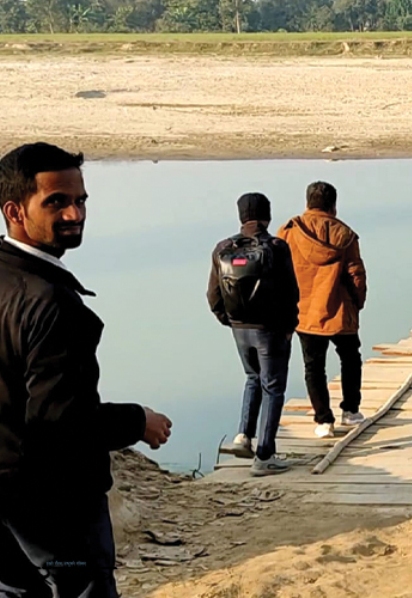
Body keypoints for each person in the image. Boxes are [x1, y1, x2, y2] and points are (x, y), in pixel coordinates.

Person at [0, 142, 172, 598]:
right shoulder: (49, 303)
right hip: (53, 506)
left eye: (80, 200)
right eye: (56, 202)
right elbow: (62, 424)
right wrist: (138, 420)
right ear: (15, 211)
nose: (75, 214)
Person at [207, 192, 298, 476]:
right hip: (269, 329)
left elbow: (213, 294)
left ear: (241, 217)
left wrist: (230, 320)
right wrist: (288, 328)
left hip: (239, 327)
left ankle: (243, 437)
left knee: (252, 378)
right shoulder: (276, 247)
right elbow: (290, 293)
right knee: (274, 387)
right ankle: (265, 455)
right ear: (267, 216)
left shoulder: (223, 248)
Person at [278, 182, 367, 439]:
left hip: (303, 311)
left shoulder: (289, 231)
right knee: (350, 359)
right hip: (340, 309)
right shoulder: (346, 235)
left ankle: (323, 420)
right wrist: (358, 302)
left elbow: (279, 270)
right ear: (333, 206)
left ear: (308, 203)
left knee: (313, 367)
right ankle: (350, 410)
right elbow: (355, 274)